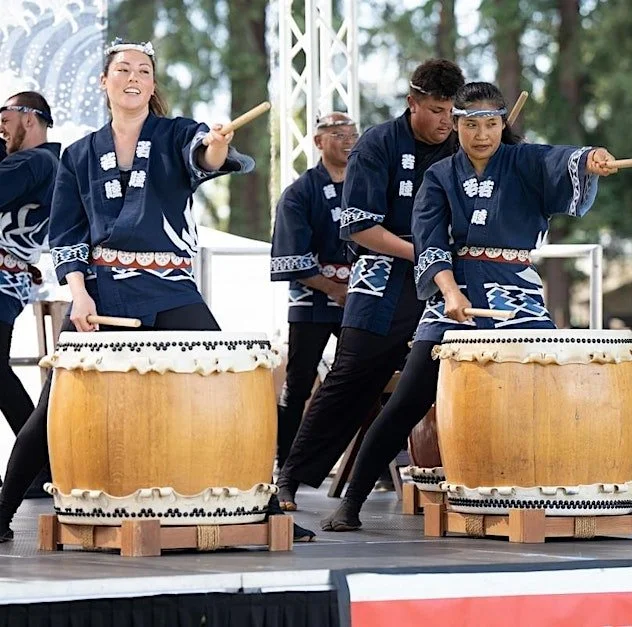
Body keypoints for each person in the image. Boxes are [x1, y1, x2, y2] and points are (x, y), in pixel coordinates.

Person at [0, 39, 314, 542]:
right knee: (53, 406)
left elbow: (206, 157)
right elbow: (67, 233)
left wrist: (216, 143)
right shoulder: (79, 154)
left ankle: (266, 508)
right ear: (104, 82)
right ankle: (2, 512)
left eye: (144, 71)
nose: (133, 77)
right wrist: (79, 294)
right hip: (101, 292)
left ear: (151, 85)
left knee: (226, 387)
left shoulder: (176, 133)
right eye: (123, 69)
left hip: (169, 287)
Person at [320, 81, 618, 531]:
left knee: (542, 394)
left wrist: (590, 158)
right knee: (408, 399)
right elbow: (430, 242)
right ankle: (351, 503)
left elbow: (560, 160)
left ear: (502, 124)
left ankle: (546, 496)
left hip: (517, 293)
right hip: (454, 290)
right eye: (472, 125)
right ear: (456, 125)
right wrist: (450, 293)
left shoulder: (523, 161)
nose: (482, 135)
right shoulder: (440, 176)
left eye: (491, 124)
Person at [276, 59, 465, 510]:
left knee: (447, 378)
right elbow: (359, 227)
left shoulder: (464, 142)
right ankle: (290, 478)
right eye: (436, 110)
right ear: (412, 103)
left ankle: (455, 480)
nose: (446, 121)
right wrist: (424, 253)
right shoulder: (377, 144)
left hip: (447, 280)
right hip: (383, 275)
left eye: (451, 112)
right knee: (350, 377)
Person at [269, 112, 357, 471]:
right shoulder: (300, 193)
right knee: (299, 381)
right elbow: (291, 256)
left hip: (359, 295)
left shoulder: (367, 186)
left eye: (352, 134)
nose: (348, 141)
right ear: (319, 141)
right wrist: (334, 288)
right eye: (338, 135)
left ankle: (375, 463)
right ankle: (287, 460)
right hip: (312, 299)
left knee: (370, 374)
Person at [0, 92, 60, 448]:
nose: (1, 129)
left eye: (5, 120)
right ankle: (39, 457)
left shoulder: (35, 161)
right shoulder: (45, 163)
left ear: (28, 118)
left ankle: (38, 457)